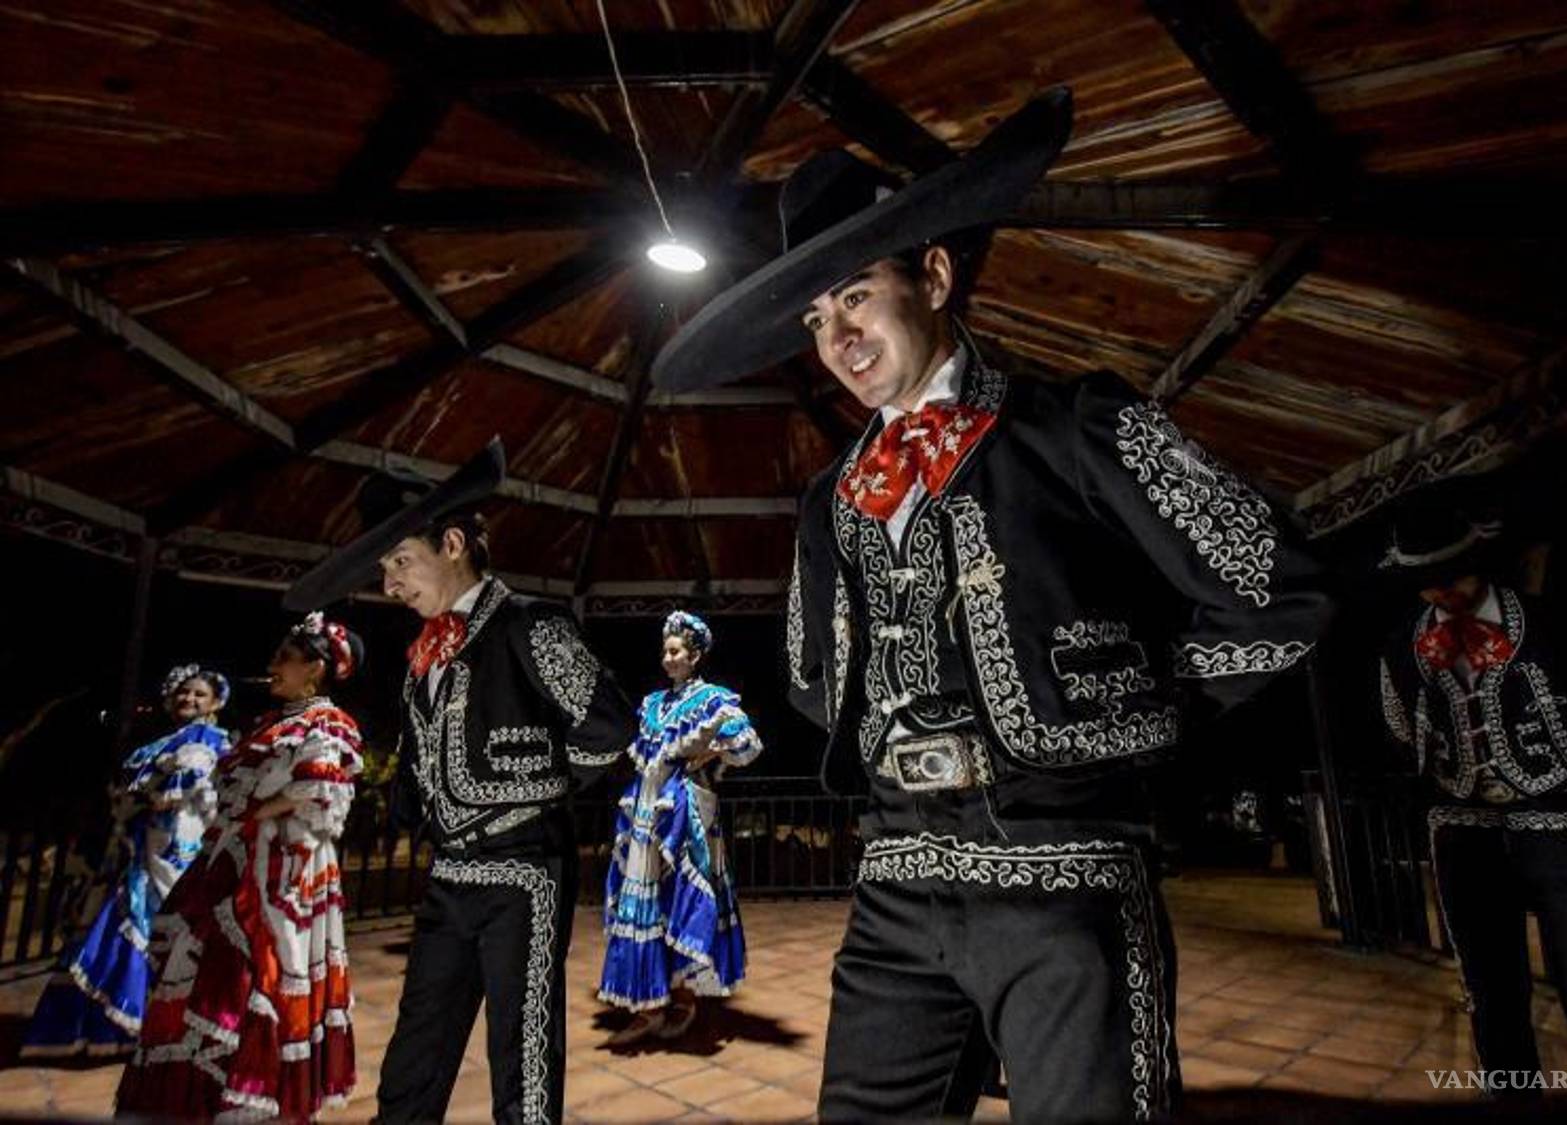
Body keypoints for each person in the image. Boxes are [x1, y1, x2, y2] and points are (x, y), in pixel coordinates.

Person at [652, 88, 1333, 1123]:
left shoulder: (1078, 422)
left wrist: (1148, 714)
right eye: (816, 318)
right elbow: (808, 673)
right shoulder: (830, 495)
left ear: (931, 276)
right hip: (895, 878)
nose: (836, 337)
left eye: (854, 298)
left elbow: (1276, 591)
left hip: (1064, 872)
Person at [282, 439, 636, 1125]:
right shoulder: (422, 656)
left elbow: (610, 727)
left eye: (399, 561)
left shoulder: (530, 625)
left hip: (524, 874)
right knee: (417, 1050)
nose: (389, 583)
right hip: (449, 878)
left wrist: (534, 789)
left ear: (452, 542)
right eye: (385, 568)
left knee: (523, 1056)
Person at [1375, 507, 1567, 1086]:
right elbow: (1400, 728)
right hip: (1463, 826)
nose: (1444, 590)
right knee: (1491, 994)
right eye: (1429, 579)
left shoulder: (1558, 622)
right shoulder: (1403, 645)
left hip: (1560, 822)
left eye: (1456, 573)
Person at [115, 615, 364, 1121]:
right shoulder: (274, 722)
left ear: (315, 668)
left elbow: (322, 795)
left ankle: (248, 1094)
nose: (272, 667)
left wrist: (253, 814)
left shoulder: (328, 723)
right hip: (234, 859)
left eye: (284, 658)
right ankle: (198, 1091)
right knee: (205, 973)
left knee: (250, 975)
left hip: (280, 870)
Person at [21, 664, 233, 1058]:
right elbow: (129, 788)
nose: (190, 699)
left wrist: (150, 791)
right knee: (111, 929)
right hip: (133, 850)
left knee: (153, 932)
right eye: (184, 692)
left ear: (215, 702)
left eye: (199, 694)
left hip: (172, 851)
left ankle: (147, 1025)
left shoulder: (210, 739)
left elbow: (183, 787)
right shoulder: (158, 742)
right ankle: (101, 1028)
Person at [599, 610, 764, 1045]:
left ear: (694, 656)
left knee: (682, 899)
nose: (668, 658)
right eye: (665, 651)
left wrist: (708, 753)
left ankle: (685, 997)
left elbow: (747, 745)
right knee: (646, 902)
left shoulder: (712, 699)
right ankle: (650, 1002)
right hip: (646, 810)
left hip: (686, 813)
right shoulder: (653, 704)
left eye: (675, 651)